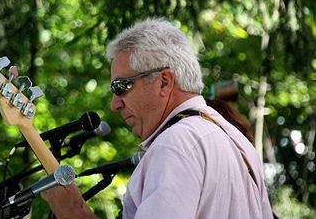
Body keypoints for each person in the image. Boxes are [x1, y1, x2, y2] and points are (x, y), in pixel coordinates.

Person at [42, 17, 274, 219]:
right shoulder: (235, 140)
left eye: (121, 87)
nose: (115, 104)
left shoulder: (175, 144)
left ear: (164, 81)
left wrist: (74, 212)